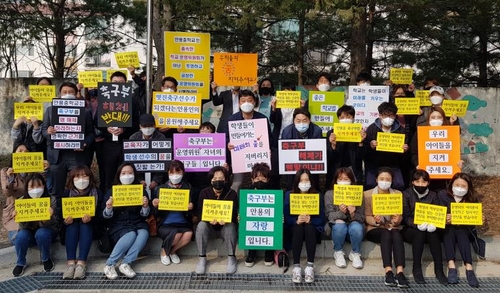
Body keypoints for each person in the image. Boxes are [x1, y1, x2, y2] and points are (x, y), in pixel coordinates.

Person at [38, 82, 95, 198]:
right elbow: (43, 130)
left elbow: (91, 134)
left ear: (76, 94)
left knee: (80, 187)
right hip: (56, 157)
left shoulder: (85, 111)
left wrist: (84, 143)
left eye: (71, 92)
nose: (67, 94)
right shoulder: (50, 110)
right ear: (60, 94)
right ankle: (57, 214)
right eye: (65, 92)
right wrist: (48, 132)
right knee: (56, 189)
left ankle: (78, 215)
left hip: (77, 155)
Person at [102, 163, 150, 280]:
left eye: (130, 173)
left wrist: (145, 206)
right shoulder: (112, 191)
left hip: (137, 222)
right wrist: (108, 207)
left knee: (144, 233)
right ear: (118, 175)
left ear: (135, 175)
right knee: (130, 234)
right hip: (119, 225)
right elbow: (104, 216)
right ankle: (110, 264)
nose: (127, 176)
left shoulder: (141, 191)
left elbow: (145, 215)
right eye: (123, 173)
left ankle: (126, 263)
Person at [219, 89, 272, 193]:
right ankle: (235, 206)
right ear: (239, 103)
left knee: (260, 181)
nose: (246, 103)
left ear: (254, 102)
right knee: (237, 183)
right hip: (238, 158)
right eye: (243, 101)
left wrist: (268, 149)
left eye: (249, 100)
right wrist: (228, 143)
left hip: (258, 158)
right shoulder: (232, 119)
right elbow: (225, 137)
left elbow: (268, 138)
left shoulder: (262, 119)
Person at [364, 167, 409, 288]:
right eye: (382, 179)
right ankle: (388, 271)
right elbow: (367, 216)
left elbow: (400, 216)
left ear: (392, 180)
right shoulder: (367, 195)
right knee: (386, 234)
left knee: (395, 233)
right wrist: (376, 221)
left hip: (393, 227)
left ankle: (400, 272)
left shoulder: (398, 194)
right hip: (375, 229)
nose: (385, 181)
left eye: (387, 179)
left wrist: (396, 220)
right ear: (376, 179)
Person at [401, 169, 448, 285]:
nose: (420, 185)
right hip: (411, 229)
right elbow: (406, 216)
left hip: (430, 228)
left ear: (428, 183)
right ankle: (416, 268)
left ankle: (439, 269)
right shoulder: (406, 194)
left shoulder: (433, 195)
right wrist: (416, 224)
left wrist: (435, 223)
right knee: (419, 233)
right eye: (417, 182)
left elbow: (437, 213)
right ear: (413, 182)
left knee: (433, 234)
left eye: (423, 182)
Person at [438, 173, 482, 287]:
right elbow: (438, 213)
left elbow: (473, 218)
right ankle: (451, 265)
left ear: (468, 188)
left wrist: (479, 218)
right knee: (450, 230)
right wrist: (445, 218)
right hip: (446, 228)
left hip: (464, 228)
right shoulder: (442, 195)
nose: (460, 188)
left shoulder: (472, 198)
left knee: (461, 230)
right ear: (452, 184)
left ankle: (469, 267)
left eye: (464, 186)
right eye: (457, 185)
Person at [1, 144, 49, 246]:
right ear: (14, 154)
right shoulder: (5, 171)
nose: (23, 154)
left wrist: (45, 170)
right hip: (15, 211)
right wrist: (10, 179)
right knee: (19, 238)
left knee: (42, 234)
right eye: (20, 151)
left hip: (34, 209)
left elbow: (44, 186)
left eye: (27, 151)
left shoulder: (35, 169)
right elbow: (7, 193)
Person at [60, 165, 102, 280]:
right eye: (77, 176)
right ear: (72, 179)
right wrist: (65, 220)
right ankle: (70, 264)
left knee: (85, 225)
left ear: (90, 178)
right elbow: (60, 216)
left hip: (91, 227)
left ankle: (82, 263)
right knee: (71, 226)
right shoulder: (66, 193)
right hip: (71, 226)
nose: (81, 180)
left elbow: (101, 215)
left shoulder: (96, 192)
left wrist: (91, 218)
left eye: (84, 176)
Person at [12, 173, 58, 277]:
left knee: (41, 233)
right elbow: (23, 227)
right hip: (29, 232)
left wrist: (47, 218)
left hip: (46, 231)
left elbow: (55, 223)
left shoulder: (51, 200)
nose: (36, 189)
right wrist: (18, 218)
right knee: (21, 236)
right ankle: (20, 262)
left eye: (39, 185)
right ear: (27, 188)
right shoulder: (21, 202)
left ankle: (46, 258)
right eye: (32, 186)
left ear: (44, 186)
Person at [195, 166, 238, 275]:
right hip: (210, 228)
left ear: (226, 180)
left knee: (231, 226)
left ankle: (232, 257)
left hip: (225, 228)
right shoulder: (204, 193)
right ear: (211, 180)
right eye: (215, 178)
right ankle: (202, 258)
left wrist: (228, 220)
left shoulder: (232, 193)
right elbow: (200, 213)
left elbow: (234, 214)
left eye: (221, 178)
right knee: (201, 225)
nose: (218, 181)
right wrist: (208, 220)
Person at [284, 168, 324, 283]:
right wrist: (295, 220)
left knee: (309, 227)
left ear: (311, 181)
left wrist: (311, 220)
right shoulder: (289, 195)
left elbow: (321, 218)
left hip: (312, 229)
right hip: (295, 228)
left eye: (307, 180)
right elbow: (286, 216)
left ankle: (310, 266)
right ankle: (296, 266)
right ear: (297, 182)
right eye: (301, 180)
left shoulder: (317, 195)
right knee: (299, 227)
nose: (304, 183)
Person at [152, 160, 193, 265]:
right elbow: (155, 213)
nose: (175, 175)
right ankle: (164, 252)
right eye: (172, 172)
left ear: (183, 173)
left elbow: (191, 211)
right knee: (177, 233)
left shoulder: (188, 187)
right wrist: (155, 205)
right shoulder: (161, 189)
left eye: (178, 172)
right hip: (165, 224)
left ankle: (172, 251)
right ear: (168, 173)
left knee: (188, 234)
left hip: (182, 222)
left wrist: (190, 207)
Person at [324, 167, 365, 269]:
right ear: (336, 180)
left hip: (353, 229)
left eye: (346, 179)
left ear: (351, 180)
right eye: (340, 179)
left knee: (356, 227)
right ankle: (338, 252)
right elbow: (329, 215)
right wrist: (341, 213)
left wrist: (353, 213)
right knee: (339, 224)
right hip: (337, 230)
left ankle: (355, 253)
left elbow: (362, 217)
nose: (343, 181)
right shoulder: (329, 194)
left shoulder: (358, 194)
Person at [363, 102, 408, 191]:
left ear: (395, 116)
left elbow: (405, 157)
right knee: (370, 184)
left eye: (391, 116)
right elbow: (364, 151)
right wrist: (370, 146)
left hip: (393, 165)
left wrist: (405, 150)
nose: (388, 118)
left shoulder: (401, 130)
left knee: (400, 185)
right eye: (385, 115)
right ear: (379, 115)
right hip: (374, 165)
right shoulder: (371, 129)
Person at [281, 108, 323, 190]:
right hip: (293, 166)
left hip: (311, 166)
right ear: (294, 121)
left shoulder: (317, 130)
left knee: (313, 184)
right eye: (298, 121)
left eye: (304, 120)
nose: (301, 123)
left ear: (309, 120)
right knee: (292, 185)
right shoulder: (287, 131)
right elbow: (285, 154)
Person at [244, 163, 275, 267]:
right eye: (257, 178)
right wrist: (240, 216)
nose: (260, 181)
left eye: (263, 178)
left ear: (268, 180)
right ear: (252, 179)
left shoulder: (274, 193)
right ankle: (252, 252)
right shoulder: (247, 193)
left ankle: (269, 251)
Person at [326, 105, 366, 187]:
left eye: (348, 117)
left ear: (353, 118)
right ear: (338, 119)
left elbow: (361, 157)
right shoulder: (332, 133)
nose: (345, 119)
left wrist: (361, 143)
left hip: (353, 169)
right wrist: (333, 145)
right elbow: (330, 158)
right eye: (342, 117)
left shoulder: (359, 133)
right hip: (336, 169)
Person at [129, 113, 167, 189]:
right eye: (145, 126)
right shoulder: (133, 138)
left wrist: (156, 180)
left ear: (155, 126)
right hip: (138, 175)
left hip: (156, 174)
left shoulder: (161, 138)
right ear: (140, 126)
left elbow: (164, 161)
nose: (148, 128)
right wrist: (139, 180)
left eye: (150, 126)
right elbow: (131, 162)